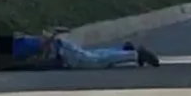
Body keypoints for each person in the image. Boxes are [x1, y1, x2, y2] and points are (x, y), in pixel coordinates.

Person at [10, 27, 160, 70]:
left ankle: (135, 54)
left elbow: (41, 45)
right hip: (61, 48)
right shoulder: (17, 42)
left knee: (95, 62)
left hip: (62, 53)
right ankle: (123, 49)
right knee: (93, 55)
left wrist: (51, 38)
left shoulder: (17, 47)